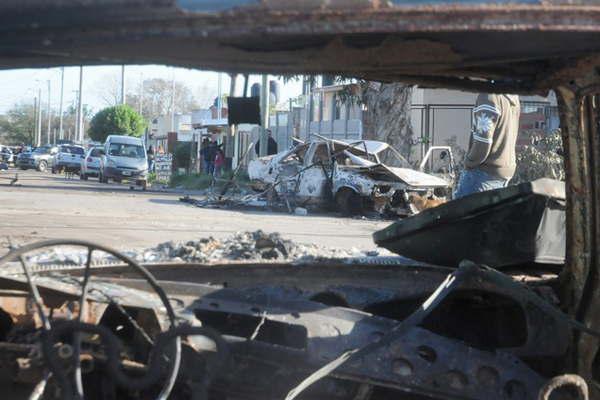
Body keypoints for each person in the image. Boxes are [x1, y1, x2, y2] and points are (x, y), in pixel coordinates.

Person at [453, 93, 520, 199]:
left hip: (482, 174)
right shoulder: (512, 96)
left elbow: (483, 143)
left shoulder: (488, 96)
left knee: (458, 214)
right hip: (503, 173)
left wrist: (468, 163)